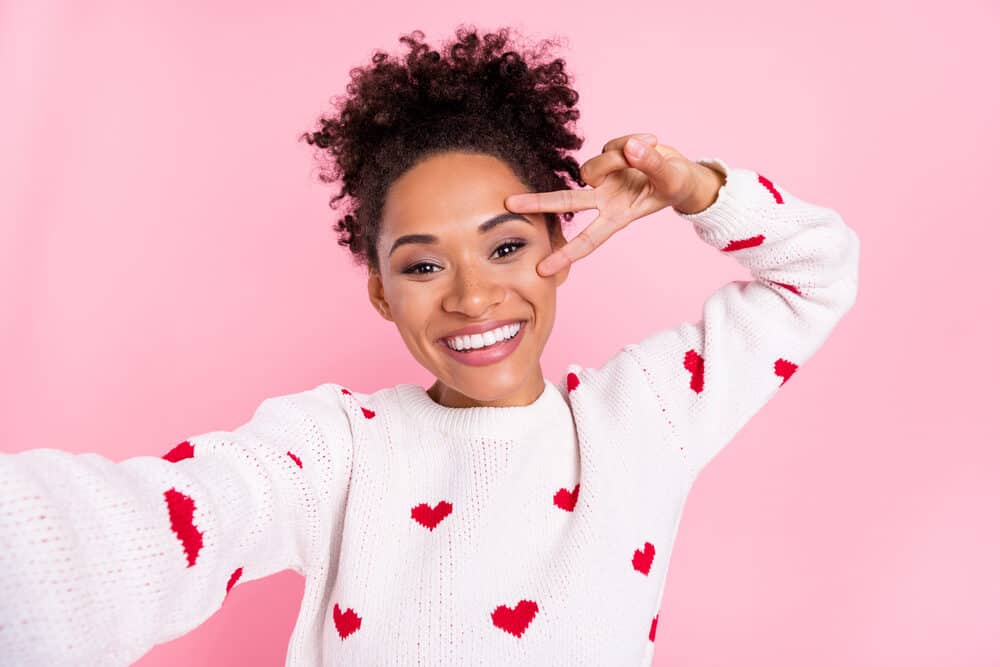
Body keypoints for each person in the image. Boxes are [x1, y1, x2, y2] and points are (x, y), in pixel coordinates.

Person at [0, 25, 860, 666]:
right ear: (380, 291)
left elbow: (816, 275)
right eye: (421, 265)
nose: (474, 295)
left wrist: (698, 190)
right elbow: (161, 522)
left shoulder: (647, 416)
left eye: (507, 245)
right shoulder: (337, 446)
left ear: (562, 245)